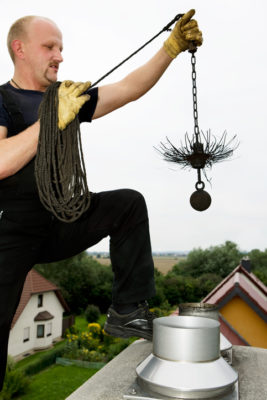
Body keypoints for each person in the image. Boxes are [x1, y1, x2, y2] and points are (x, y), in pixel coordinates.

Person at [0, 10, 202, 390]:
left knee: (128, 204)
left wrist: (170, 49)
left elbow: (127, 88)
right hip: (11, 231)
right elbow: (2, 163)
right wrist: (49, 121)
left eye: (61, 48)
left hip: (62, 220)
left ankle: (127, 311)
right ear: (20, 48)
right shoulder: (3, 99)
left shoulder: (68, 100)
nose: (59, 55)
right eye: (50, 47)